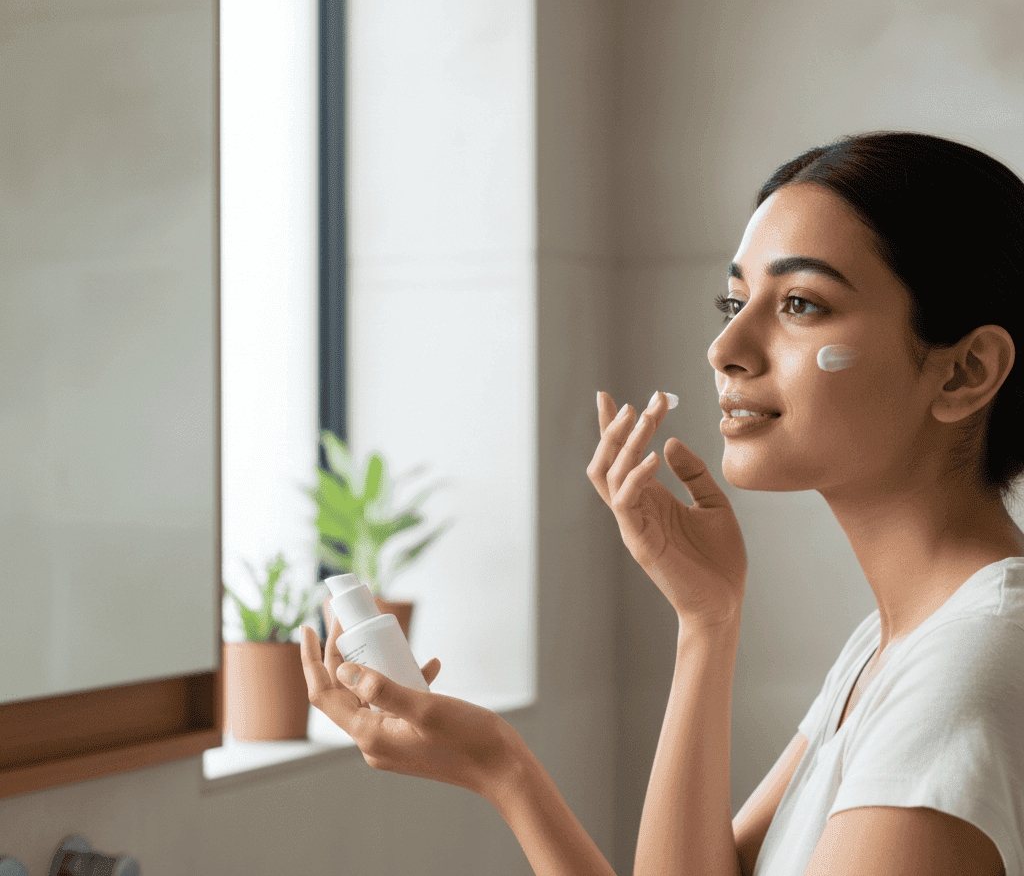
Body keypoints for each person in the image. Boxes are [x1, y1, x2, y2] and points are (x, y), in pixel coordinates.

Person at [300, 131, 1024, 876]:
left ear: (965, 372)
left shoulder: (964, 675)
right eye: (734, 301)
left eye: (802, 304)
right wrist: (707, 617)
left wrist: (503, 771)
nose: (726, 347)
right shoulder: (895, 644)